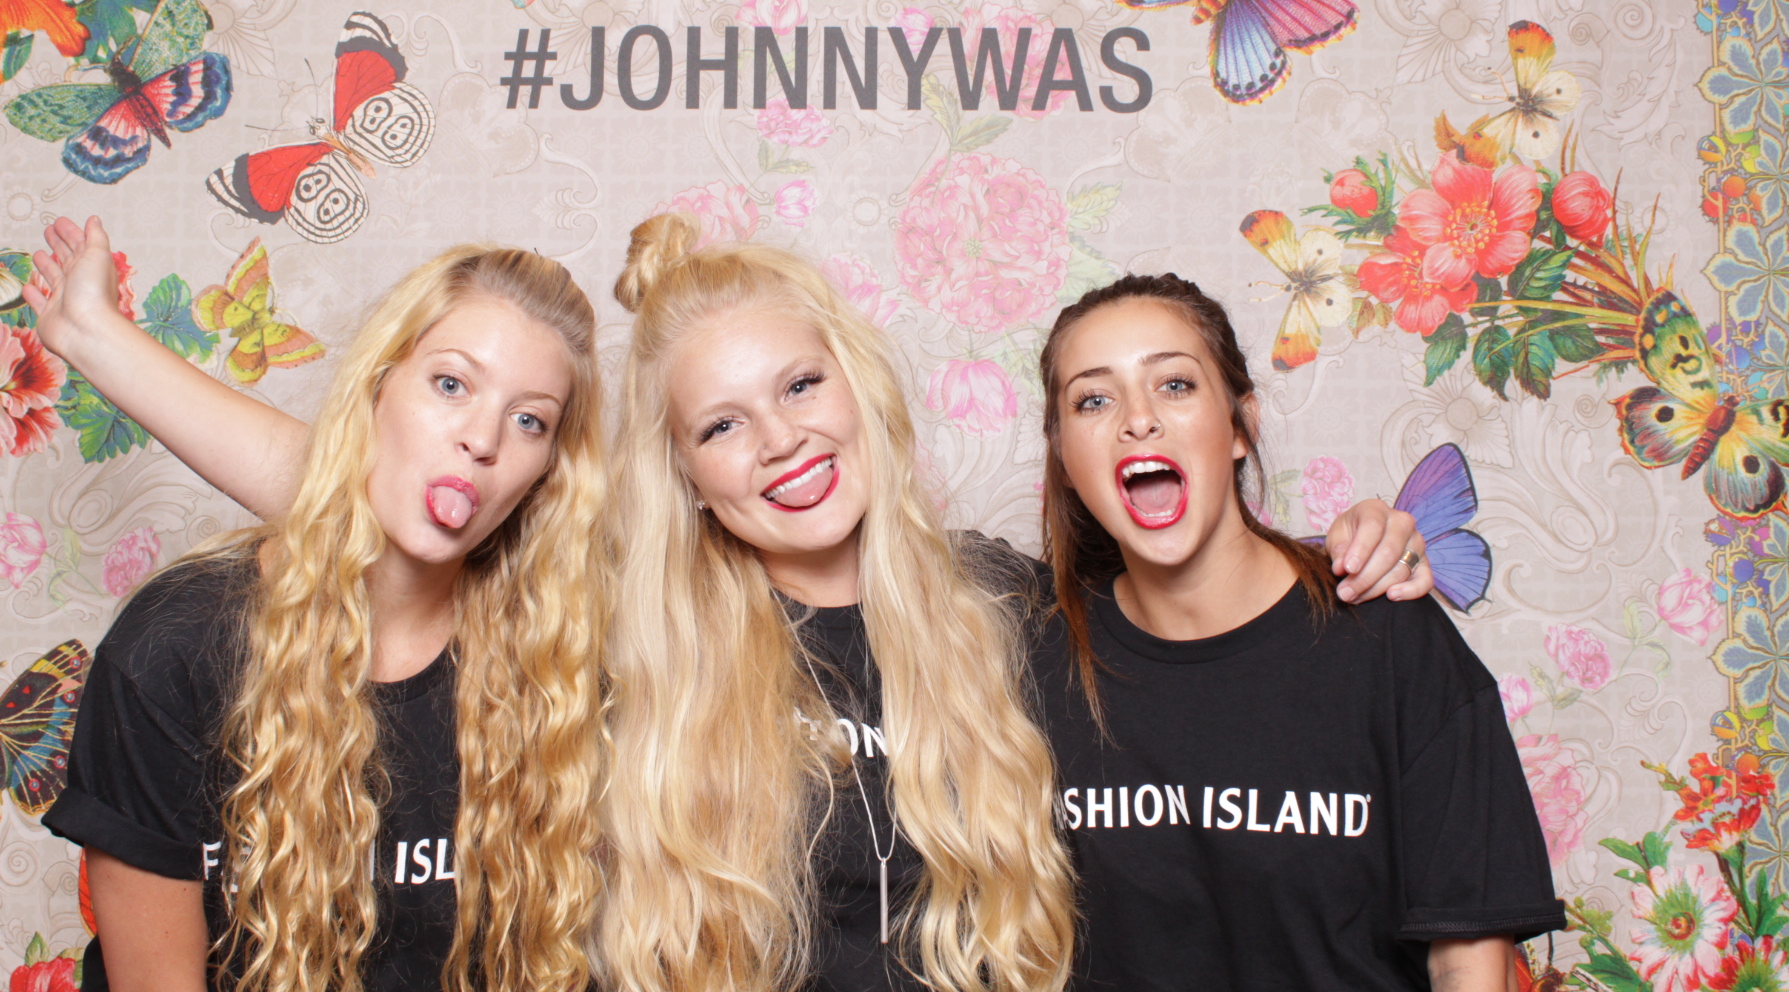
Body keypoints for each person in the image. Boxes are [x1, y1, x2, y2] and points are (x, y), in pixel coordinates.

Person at [593, 215, 1435, 992]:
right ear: (685, 476)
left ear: (858, 385)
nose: (781, 439)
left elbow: (1197, 607)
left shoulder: (1008, 605)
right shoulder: (648, 667)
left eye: (801, 385)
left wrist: (1353, 551)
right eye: (721, 427)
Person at [31, 221, 606, 992]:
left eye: (529, 419)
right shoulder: (175, 650)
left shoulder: (556, 659)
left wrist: (95, 335)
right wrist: (92, 332)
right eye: (450, 384)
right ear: (377, 387)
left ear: (547, 474)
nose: (482, 440)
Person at [1033, 272, 1564, 992]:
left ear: (1241, 427)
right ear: (1065, 459)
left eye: (1175, 385)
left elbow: (1468, 958)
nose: (1138, 420)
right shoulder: (1033, 657)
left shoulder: (1388, 636)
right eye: (1094, 400)